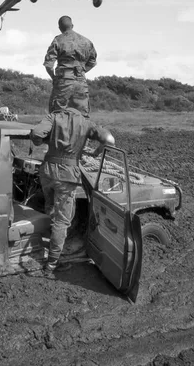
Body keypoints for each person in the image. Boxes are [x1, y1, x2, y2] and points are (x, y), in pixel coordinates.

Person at [30, 85, 115, 276]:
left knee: (50, 209)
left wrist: (45, 142)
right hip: (67, 176)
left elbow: (36, 134)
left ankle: (46, 244)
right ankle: (51, 265)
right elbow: (110, 140)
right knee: (62, 220)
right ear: (84, 105)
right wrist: (95, 152)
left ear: (68, 102)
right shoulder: (87, 123)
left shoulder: (54, 116)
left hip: (47, 171)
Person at [44, 16, 97, 116]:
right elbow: (92, 62)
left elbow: (48, 65)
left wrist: (54, 78)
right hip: (81, 82)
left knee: (58, 115)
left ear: (59, 28)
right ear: (72, 26)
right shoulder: (86, 41)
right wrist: (81, 72)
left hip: (63, 82)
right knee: (82, 116)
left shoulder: (58, 40)